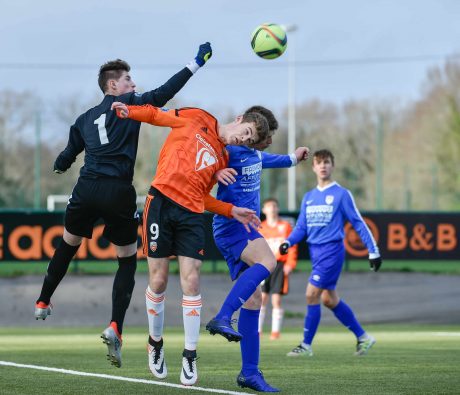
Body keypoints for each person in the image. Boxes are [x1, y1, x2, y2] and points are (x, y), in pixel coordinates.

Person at [34, 42, 213, 369]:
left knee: (68, 243)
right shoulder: (128, 103)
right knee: (127, 260)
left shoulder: (84, 118)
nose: (133, 84)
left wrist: (58, 166)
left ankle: (43, 300)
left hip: (86, 187)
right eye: (128, 79)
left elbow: (66, 156)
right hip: (117, 191)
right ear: (112, 85)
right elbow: (162, 94)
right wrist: (195, 63)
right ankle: (116, 324)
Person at [111, 100, 269, 386]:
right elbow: (157, 115)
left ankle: (190, 353)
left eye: (250, 140)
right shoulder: (197, 117)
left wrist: (230, 210)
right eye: (245, 132)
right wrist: (129, 111)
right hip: (160, 202)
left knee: (192, 281)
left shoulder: (223, 158)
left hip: (193, 213)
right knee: (158, 280)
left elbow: (205, 196)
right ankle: (155, 343)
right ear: (239, 118)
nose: (243, 139)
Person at [205, 106, 309, 392]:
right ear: (245, 124)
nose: (255, 141)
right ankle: (223, 316)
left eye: (256, 137)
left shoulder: (253, 155)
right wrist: (216, 173)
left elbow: (275, 160)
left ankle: (249, 373)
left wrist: (293, 158)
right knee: (268, 260)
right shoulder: (229, 151)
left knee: (254, 301)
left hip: (245, 229)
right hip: (233, 226)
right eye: (258, 135)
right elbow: (207, 168)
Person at [279, 149, 382, 358]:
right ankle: (363, 337)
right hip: (316, 253)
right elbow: (301, 228)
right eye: (319, 162)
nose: (323, 166)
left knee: (311, 293)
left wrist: (373, 251)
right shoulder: (308, 197)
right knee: (328, 299)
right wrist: (288, 242)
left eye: (327, 162)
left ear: (332, 166)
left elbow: (358, 223)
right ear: (314, 167)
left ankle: (306, 345)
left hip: (332, 251)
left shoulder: (341, 194)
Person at [258, 197, 298, 340]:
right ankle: (258, 331)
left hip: (279, 266)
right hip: (264, 266)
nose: (272, 209)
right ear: (264, 210)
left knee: (276, 300)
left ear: (277, 208)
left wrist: (290, 264)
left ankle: (275, 332)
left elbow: (291, 246)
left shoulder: (285, 226)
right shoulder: (260, 227)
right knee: (262, 298)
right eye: (269, 206)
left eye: (274, 206)